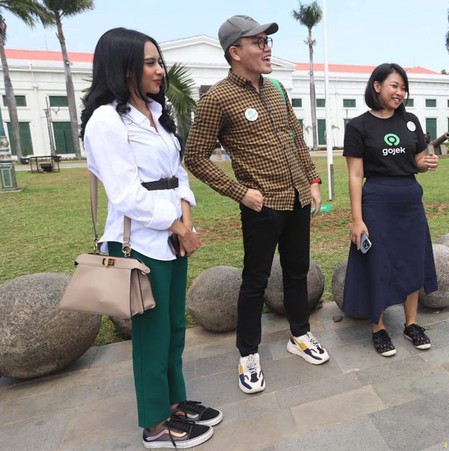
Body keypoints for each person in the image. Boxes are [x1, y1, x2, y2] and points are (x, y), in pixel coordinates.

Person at [81, 28, 221, 448]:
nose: (160, 70)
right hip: (137, 241)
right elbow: (125, 194)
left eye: (159, 61)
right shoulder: (105, 120)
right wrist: (177, 227)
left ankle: (175, 402)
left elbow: (179, 175)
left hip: (172, 236)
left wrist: (187, 223)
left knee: (175, 326)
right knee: (151, 334)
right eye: (150, 62)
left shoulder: (157, 114)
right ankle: (155, 423)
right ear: (122, 66)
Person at [184, 15, 329, 395]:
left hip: (297, 197)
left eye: (267, 41)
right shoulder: (217, 98)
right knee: (255, 281)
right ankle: (248, 353)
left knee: (297, 272)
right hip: (262, 205)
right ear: (235, 52)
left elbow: (296, 138)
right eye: (258, 42)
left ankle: (299, 335)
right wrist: (240, 192)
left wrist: (312, 180)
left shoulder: (277, 89)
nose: (267, 48)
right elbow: (195, 156)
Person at [341, 63, 439, 357]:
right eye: (394, 85)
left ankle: (411, 324)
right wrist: (357, 219)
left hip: (409, 200)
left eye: (403, 87)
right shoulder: (358, 126)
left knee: (412, 259)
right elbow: (356, 175)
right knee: (379, 263)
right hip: (377, 202)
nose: (400, 92)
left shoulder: (410, 121)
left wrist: (426, 163)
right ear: (377, 86)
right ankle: (379, 327)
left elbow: (418, 160)